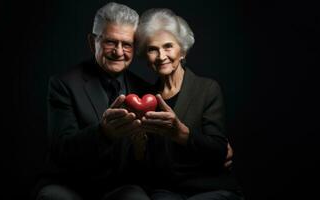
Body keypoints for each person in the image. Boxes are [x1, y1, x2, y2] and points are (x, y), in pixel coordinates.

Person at [33, 2, 235, 200]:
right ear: (91, 42)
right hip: (73, 184)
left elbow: (155, 154)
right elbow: (61, 151)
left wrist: (215, 150)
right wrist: (104, 133)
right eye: (110, 42)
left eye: (127, 44)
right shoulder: (64, 84)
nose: (119, 52)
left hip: (122, 187)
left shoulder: (146, 91)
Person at [134, 8, 244, 199]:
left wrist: (181, 133)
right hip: (167, 190)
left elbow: (219, 150)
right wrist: (139, 147)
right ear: (145, 56)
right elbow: (149, 164)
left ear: (182, 51)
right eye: (153, 49)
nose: (161, 56)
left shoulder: (207, 89)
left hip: (210, 187)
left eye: (168, 46)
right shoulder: (145, 99)